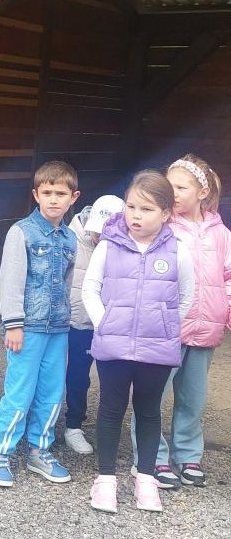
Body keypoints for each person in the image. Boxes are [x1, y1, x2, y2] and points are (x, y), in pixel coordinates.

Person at [83, 170, 194, 513]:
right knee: (110, 409)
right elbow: (90, 289)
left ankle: (145, 478)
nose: (135, 215)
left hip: (156, 349)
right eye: (131, 206)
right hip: (113, 347)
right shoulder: (108, 246)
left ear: (165, 213)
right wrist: (107, 324)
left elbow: (186, 297)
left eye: (146, 209)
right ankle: (105, 480)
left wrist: (164, 328)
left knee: (148, 412)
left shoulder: (179, 250)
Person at [128, 154, 231, 490]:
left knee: (193, 397)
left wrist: (225, 312)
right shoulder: (164, 228)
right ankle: (152, 455)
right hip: (165, 330)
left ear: (202, 192)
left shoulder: (221, 234)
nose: (171, 192)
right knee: (152, 395)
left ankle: (188, 454)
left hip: (205, 329)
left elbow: (228, 277)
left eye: (180, 187)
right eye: (168, 185)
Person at [0, 160, 80, 488]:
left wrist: (69, 319)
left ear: (74, 197)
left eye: (61, 193)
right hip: (27, 328)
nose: (54, 199)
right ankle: (0, 452)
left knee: (52, 392)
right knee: (20, 392)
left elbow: (68, 283)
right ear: (36, 195)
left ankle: (40, 450)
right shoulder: (21, 232)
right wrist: (13, 325)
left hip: (58, 329)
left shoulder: (70, 239)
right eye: (47, 192)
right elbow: (10, 281)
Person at [63, 195, 125, 455]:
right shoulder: (68, 238)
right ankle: (42, 424)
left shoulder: (123, 245)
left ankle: (74, 426)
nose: (99, 238)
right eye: (97, 233)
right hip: (67, 319)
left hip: (100, 324)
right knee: (57, 374)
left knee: (84, 377)